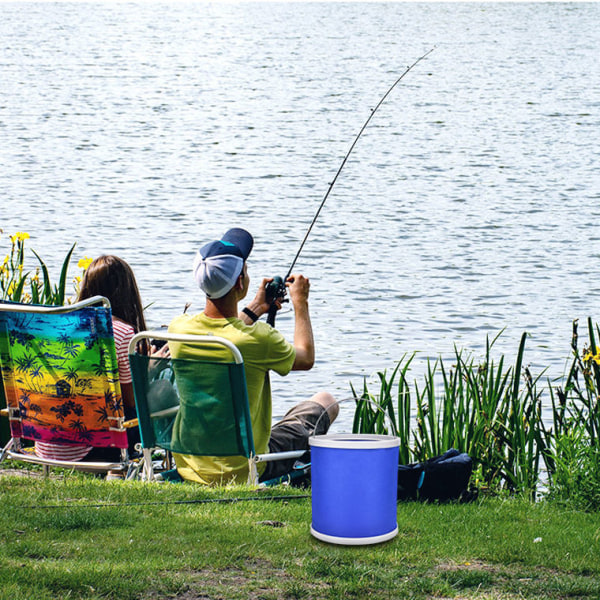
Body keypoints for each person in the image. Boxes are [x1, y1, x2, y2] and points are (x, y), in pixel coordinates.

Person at [168, 227, 338, 485]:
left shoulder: (179, 329)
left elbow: (227, 334)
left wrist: (257, 307)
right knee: (326, 401)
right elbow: (305, 357)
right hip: (244, 467)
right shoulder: (258, 339)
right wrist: (301, 302)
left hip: (191, 464)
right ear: (239, 283)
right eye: (245, 269)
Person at [34, 255, 168, 464]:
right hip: (92, 449)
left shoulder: (58, 328)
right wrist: (149, 369)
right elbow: (132, 400)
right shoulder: (122, 333)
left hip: (47, 443)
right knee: (161, 389)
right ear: (127, 291)